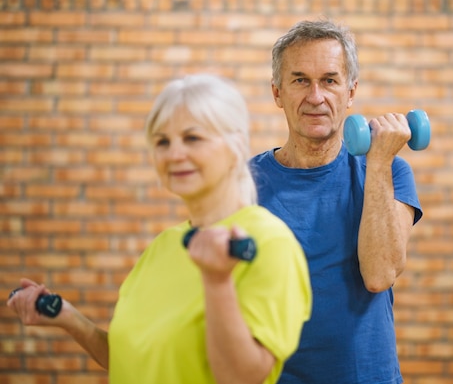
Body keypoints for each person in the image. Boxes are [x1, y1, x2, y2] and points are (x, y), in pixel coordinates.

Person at [8, 74, 312, 384]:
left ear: (234, 146)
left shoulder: (269, 244)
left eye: (192, 138)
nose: (174, 154)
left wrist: (217, 281)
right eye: (162, 141)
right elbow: (132, 361)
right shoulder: (164, 246)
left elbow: (241, 378)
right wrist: (69, 319)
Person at [249, 19, 423, 384]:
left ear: (350, 91)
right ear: (277, 93)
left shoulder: (391, 173)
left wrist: (378, 162)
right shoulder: (244, 185)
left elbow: (379, 276)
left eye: (329, 80)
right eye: (300, 80)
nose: (316, 97)